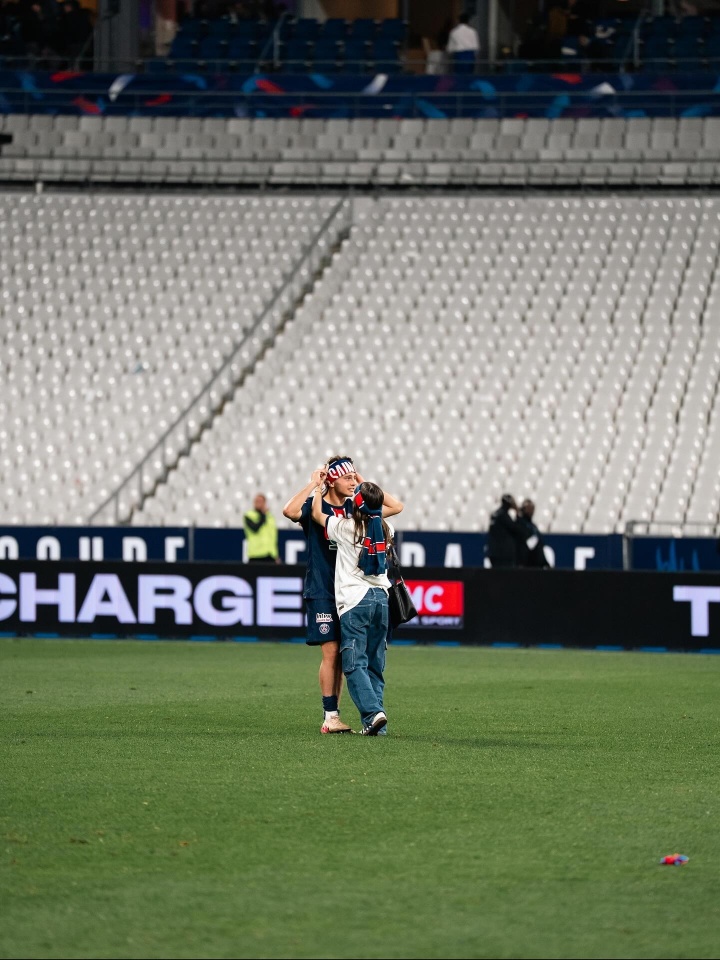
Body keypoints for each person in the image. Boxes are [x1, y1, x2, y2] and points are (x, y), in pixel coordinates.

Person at [283, 456, 403, 735]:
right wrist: (314, 484)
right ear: (333, 480)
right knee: (333, 652)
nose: (353, 482)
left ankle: (361, 715)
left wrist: (360, 481)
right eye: (347, 477)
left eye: (354, 477)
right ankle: (331, 715)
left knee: (349, 656)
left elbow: (394, 507)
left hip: (349, 594)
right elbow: (289, 511)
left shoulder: (354, 509)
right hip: (324, 588)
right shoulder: (317, 503)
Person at [312, 478, 393, 736]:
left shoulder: (345, 527)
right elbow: (396, 506)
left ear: (357, 503)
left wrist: (318, 487)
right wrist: (366, 485)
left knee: (354, 663)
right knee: (375, 665)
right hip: (381, 599)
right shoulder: (387, 527)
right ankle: (376, 726)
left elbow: (317, 514)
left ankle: (373, 713)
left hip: (355, 601)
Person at [486, 493, 527, 568]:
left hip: (494, 552)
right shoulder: (503, 516)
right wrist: (518, 514)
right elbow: (516, 529)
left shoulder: (495, 514)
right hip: (503, 554)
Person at [243, 492, 279, 563]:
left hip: (270, 555)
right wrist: (263, 515)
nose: (258, 503)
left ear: (265, 503)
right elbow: (255, 528)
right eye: (257, 501)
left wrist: (275, 555)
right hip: (255, 555)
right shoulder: (249, 515)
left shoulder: (270, 517)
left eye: (261, 501)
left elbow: (273, 537)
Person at [516, 499, 550, 568]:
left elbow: (539, 546)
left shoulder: (533, 526)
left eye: (532, 508)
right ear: (523, 509)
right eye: (528, 508)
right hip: (525, 563)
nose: (531, 511)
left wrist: (545, 562)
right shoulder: (519, 523)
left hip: (536, 564)